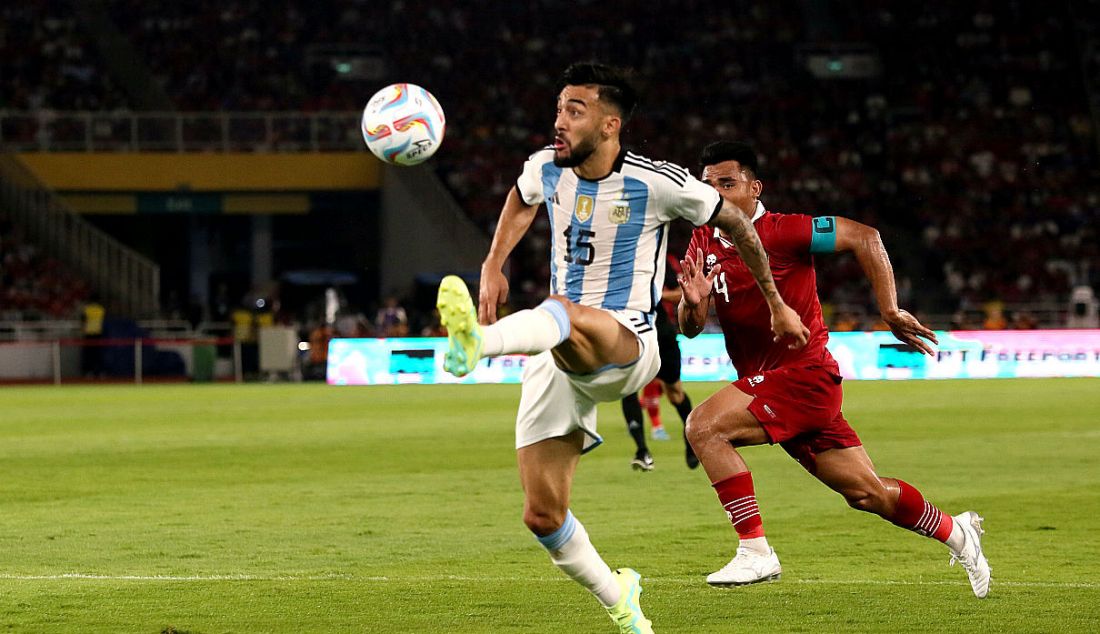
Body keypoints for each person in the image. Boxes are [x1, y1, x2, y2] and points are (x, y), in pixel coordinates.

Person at [436, 63, 808, 634]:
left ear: (610, 125)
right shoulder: (545, 166)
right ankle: (622, 601)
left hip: (627, 343)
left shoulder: (658, 182)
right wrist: (492, 265)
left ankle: (478, 344)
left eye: (574, 111)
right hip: (558, 348)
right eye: (559, 108)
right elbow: (520, 197)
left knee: (561, 311)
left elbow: (735, 219)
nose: (559, 121)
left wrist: (777, 301)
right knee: (542, 514)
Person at [677, 141, 991, 598]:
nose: (715, 193)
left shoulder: (786, 231)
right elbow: (689, 328)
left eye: (727, 183)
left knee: (703, 427)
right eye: (708, 185)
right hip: (774, 385)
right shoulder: (702, 239)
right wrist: (691, 301)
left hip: (803, 377)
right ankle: (958, 533)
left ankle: (755, 551)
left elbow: (865, 236)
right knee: (868, 494)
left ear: (754, 187)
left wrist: (890, 309)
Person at [621, 254, 701, 471]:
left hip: (663, 335)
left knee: (675, 393)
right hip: (632, 334)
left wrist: (659, 295)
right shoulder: (620, 257)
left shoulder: (666, 261)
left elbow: (688, 294)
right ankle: (642, 451)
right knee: (627, 388)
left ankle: (691, 443)